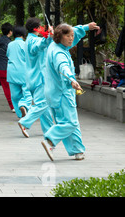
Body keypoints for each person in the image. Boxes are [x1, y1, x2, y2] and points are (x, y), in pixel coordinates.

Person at [42, 23, 100, 161]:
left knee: (68, 121)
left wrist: (87, 27)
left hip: (54, 92)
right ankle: (50, 140)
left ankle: (77, 150)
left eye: (72, 36)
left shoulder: (55, 45)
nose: (71, 38)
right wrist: (71, 80)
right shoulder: (59, 53)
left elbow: (73, 31)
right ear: (59, 37)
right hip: (62, 93)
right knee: (71, 123)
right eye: (67, 36)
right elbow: (62, 67)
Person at [6, 26, 32, 119]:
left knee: (15, 95)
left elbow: (8, 55)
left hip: (11, 72)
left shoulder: (10, 44)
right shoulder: (25, 44)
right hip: (23, 72)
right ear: (24, 34)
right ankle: (24, 106)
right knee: (27, 93)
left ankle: (20, 114)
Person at [0, 22, 14, 111]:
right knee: (13, 88)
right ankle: (15, 105)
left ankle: (12, 106)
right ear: (10, 32)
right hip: (8, 68)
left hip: (0, 67)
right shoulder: (9, 43)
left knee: (6, 88)